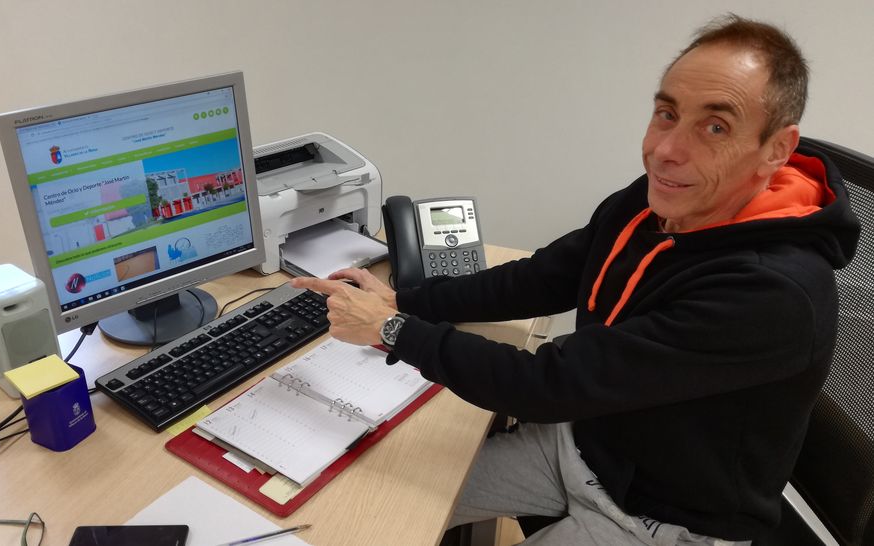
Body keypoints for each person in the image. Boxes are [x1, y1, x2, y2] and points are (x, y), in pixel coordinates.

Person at [292, 14, 860, 545]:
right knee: (359, 502)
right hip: (585, 443)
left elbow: (547, 386)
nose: (665, 151)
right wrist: (409, 300)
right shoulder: (659, 201)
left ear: (776, 150)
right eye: (667, 113)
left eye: (715, 125)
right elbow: (549, 275)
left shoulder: (772, 293)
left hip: (662, 518)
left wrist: (394, 330)